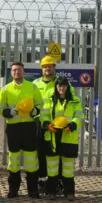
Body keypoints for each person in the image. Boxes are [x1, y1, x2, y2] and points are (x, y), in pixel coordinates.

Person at [0, 61, 43, 198]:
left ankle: (33, 190)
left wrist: (35, 111)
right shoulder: (5, 89)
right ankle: (13, 189)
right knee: (14, 160)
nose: (17, 72)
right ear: (11, 73)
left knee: (31, 160)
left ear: (23, 72)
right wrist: (9, 112)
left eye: (19, 70)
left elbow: (41, 104)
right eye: (14, 70)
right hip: (13, 127)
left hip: (29, 127)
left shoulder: (32, 87)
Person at [33, 55, 75, 195]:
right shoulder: (35, 84)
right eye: (45, 66)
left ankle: (60, 183)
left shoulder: (61, 83)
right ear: (42, 69)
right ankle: (42, 182)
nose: (47, 69)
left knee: (60, 153)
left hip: (59, 125)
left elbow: (72, 99)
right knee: (42, 153)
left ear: (54, 68)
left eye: (50, 66)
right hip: (41, 123)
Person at [40, 76, 84, 201]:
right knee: (52, 168)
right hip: (53, 137)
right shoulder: (49, 101)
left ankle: (69, 193)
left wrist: (73, 125)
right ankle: (51, 192)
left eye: (64, 86)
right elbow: (43, 116)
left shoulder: (75, 101)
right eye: (59, 86)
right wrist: (47, 125)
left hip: (68, 137)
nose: (61, 88)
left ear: (67, 87)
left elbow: (79, 116)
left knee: (68, 168)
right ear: (56, 87)